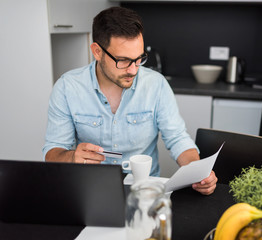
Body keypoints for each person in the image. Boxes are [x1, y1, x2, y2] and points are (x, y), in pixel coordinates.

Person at [42, 6, 217, 195]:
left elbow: (178, 139)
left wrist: (198, 172)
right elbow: (53, 151)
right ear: (97, 51)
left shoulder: (156, 85)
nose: (133, 70)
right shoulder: (68, 87)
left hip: (145, 191)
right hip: (90, 191)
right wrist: (72, 157)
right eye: (123, 60)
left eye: (139, 59)